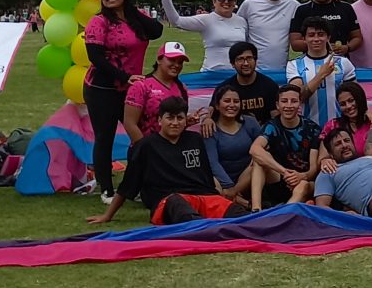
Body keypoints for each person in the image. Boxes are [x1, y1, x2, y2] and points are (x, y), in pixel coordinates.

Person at [87, 97, 247, 225]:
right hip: (167, 201)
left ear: (186, 120)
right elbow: (127, 185)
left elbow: (206, 178)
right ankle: (204, 228)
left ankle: (218, 224)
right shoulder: (146, 146)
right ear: (159, 120)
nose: (175, 123)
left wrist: (218, 197)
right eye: (170, 118)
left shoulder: (195, 140)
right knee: (178, 204)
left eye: (180, 118)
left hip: (202, 197)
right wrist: (107, 216)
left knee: (239, 215)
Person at [83, 0, 163, 205]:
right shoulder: (98, 22)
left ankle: (135, 186)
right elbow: (95, 57)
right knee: (105, 137)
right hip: (102, 88)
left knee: (141, 136)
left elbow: (156, 30)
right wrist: (124, 77)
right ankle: (107, 190)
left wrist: (130, 11)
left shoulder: (134, 19)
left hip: (132, 88)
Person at [248, 86, 321, 210]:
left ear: (300, 104)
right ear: (277, 105)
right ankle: (256, 210)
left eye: (293, 101)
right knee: (258, 160)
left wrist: (301, 176)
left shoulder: (312, 128)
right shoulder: (272, 126)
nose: (288, 105)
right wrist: (284, 172)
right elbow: (254, 149)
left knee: (303, 185)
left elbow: (313, 169)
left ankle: (283, 214)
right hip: (280, 177)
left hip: (303, 180)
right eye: (284, 101)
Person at [159, 0, 247, 71]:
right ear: (214, 1)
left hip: (237, 75)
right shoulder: (206, 20)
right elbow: (176, 21)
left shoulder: (242, 21)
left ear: (235, 2)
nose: (226, 2)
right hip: (211, 74)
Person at [286, 16, 357, 126]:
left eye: (321, 34)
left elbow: (355, 98)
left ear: (328, 37)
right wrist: (321, 75)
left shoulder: (343, 63)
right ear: (304, 38)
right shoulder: (294, 65)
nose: (316, 39)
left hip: (340, 129)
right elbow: (299, 97)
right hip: (308, 129)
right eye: (311, 35)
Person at [201, 42, 279, 133]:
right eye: (240, 59)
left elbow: (276, 118)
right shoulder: (224, 88)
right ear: (232, 64)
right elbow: (211, 112)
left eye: (249, 58)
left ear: (256, 61)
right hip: (234, 137)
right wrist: (207, 120)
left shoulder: (269, 86)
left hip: (264, 135)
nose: (245, 63)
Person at [123, 42, 192, 143]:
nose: (176, 65)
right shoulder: (141, 86)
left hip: (173, 149)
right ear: (159, 60)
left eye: (180, 62)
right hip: (147, 151)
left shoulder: (182, 88)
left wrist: (187, 122)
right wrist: (146, 150)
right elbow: (130, 123)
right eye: (172, 60)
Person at [203, 84, 262, 199]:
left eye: (236, 101)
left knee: (260, 162)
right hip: (222, 181)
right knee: (211, 180)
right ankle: (241, 203)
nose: (232, 105)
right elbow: (212, 162)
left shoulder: (249, 122)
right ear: (217, 105)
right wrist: (228, 185)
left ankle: (239, 200)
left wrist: (234, 190)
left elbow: (262, 148)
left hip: (248, 176)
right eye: (227, 101)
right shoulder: (210, 128)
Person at [236, 0, 299, 70]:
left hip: (281, 71)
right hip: (254, 71)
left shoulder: (293, 5)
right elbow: (236, 29)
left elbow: (312, 14)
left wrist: (333, 0)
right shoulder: (249, 4)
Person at [289, 0, 362, 57]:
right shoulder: (302, 10)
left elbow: (357, 37)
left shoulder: (345, 8)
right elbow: (295, 43)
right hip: (311, 63)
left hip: (340, 61)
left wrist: (347, 47)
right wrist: (322, 46)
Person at [318, 81, 372, 158]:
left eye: (351, 100)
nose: (348, 106)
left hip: (368, 168)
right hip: (340, 169)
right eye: (342, 104)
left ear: (360, 99)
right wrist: (325, 160)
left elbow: (371, 154)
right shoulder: (332, 125)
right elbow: (322, 158)